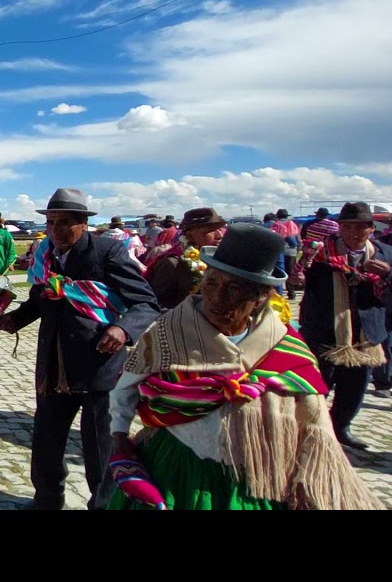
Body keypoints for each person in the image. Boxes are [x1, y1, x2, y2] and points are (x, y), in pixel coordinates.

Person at [108, 224, 383, 510]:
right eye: (211, 284)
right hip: (176, 468)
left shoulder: (286, 347)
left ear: (261, 297)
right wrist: (119, 436)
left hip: (255, 476)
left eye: (233, 289)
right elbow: (126, 387)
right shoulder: (169, 332)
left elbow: (314, 420)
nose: (217, 298)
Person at [0, 188, 161, 510]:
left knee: (99, 446)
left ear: (83, 223)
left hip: (99, 365)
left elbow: (145, 302)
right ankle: (47, 499)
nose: (56, 230)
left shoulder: (107, 252)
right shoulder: (46, 254)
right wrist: (16, 318)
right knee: (46, 439)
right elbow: (41, 298)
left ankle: (102, 504)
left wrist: (123, 329)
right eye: (51, 222)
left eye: (64, 222)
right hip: (54, 366)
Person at [299, 202, 392, 447]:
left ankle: (341, 427)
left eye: (360, 227)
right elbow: (301, 281)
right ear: (339, 227)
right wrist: (299, 277)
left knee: (355, 387)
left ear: (372, 229)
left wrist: (387, 274)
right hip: (324, 330)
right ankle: (309, 429)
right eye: (347, 226)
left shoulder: (386, 253)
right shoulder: (320, 253)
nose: (353, 233)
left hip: (365, 334)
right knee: (317, 386)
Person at [145, 208, 226, 311]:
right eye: (211, 230)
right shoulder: (172, 264)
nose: (219, 235)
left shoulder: (220, 262)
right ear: (189, 235)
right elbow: (158, 306)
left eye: (219, 229)